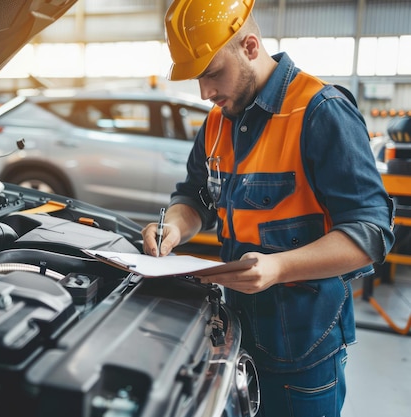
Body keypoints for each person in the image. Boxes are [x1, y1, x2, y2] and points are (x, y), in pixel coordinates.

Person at [141, 1, 396, 416]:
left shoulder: (320, 111)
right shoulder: (217, 121)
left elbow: (371, 233)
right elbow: (194, 196)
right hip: (233, 335)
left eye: (211, 72)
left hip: (303, 353)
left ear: (250, 46)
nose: (205, 93)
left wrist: (278, 268)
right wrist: (172, 225)